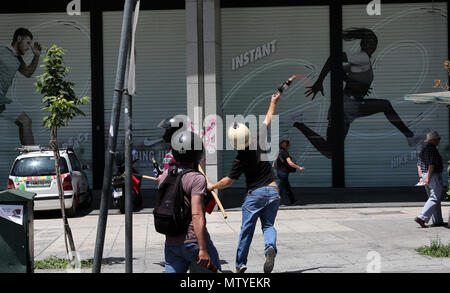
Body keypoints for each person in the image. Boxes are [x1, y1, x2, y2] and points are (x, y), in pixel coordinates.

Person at [294, 28, 422, 159]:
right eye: (367, 42)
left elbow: (337, 69)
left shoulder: (361, 60)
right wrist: (319, 82)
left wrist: (354, 82)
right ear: (362, 44)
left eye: (373, 42)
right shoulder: (362, 57)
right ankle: (409, 136)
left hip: (346, 107)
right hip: (348, 104)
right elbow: (333, 58)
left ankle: (298, 123)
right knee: (385, 105)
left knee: (331, 152)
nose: (371, 45)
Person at [208, 92, 281, 274]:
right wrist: (273, 101)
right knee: (268, 225)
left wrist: (213, 186)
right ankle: (269, 247)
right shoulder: (259, 139)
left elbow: (228, 181)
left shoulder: (239, 159)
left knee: (246, 230)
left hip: (254, 195)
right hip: (273, 191)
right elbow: (268, 118)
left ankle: (240, 265)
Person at [158, 130, 222, 273]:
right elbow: (197, 214)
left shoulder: (165, 176)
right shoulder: (196, 178)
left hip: (171, 243)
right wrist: (203, 249)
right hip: (193, 243)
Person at [0, 28, 41, 145]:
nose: (28, 47)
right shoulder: (2, 50)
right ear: (18, 39)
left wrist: (36, 56)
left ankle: (31, 156)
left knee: (25, 121)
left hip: (1, 100)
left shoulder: (18, 60)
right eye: (27, 43)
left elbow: (28, 73)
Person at [414, 130, 447, 228]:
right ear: (432, 140)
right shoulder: (432, 150)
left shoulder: (423, 150)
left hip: (425, 175)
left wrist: (421, 177)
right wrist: (428, 178)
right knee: (434, 197)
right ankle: (421, 217)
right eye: (437, 139)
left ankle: (438, 221)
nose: (439, 140)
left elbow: (419, 165)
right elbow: (431, 165)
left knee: (433, 198)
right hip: (432, 176)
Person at [275, 140, 305, 205]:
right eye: (289, 145)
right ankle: (274, 203)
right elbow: (290, 163)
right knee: (280, 189)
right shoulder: (285, 153)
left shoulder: (279, 152)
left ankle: (293, 201)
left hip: (279, 172)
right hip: (283, 173)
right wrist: (299, 167)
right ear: (287, 146)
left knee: (287, 188)